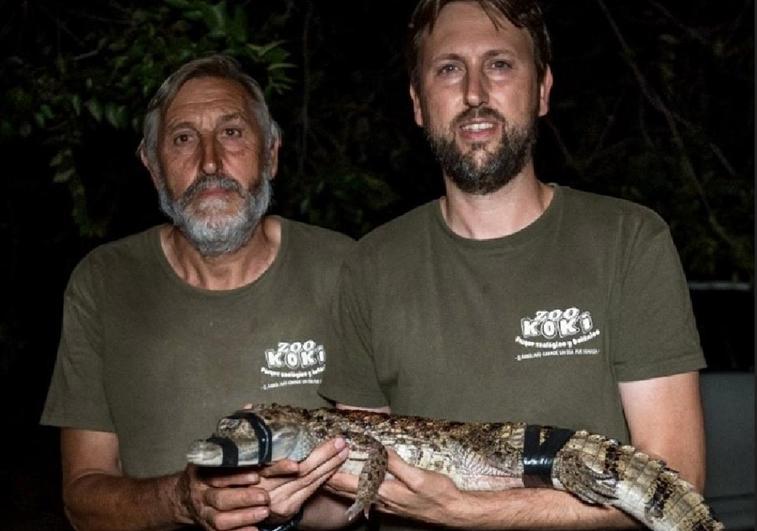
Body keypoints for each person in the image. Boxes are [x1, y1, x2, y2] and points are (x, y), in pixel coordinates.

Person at [320, 1, 706, 529]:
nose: (475, 93)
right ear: (417, 102)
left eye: (499, 64)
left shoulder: (629, 240)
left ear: (543, 90)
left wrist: (470, 512)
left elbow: (674, 477)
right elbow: (357, 479)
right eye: (449, 68)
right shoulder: (368, 265)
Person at [41, 54, 357, 531]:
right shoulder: (103, 283)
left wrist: (275, 508)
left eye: (232, 133)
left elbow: (377, 478)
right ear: (152, 166)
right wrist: (183, 499)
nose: (209, 161)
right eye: (183, 138)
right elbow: (83, 499)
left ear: (271, 153)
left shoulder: (344, 269)